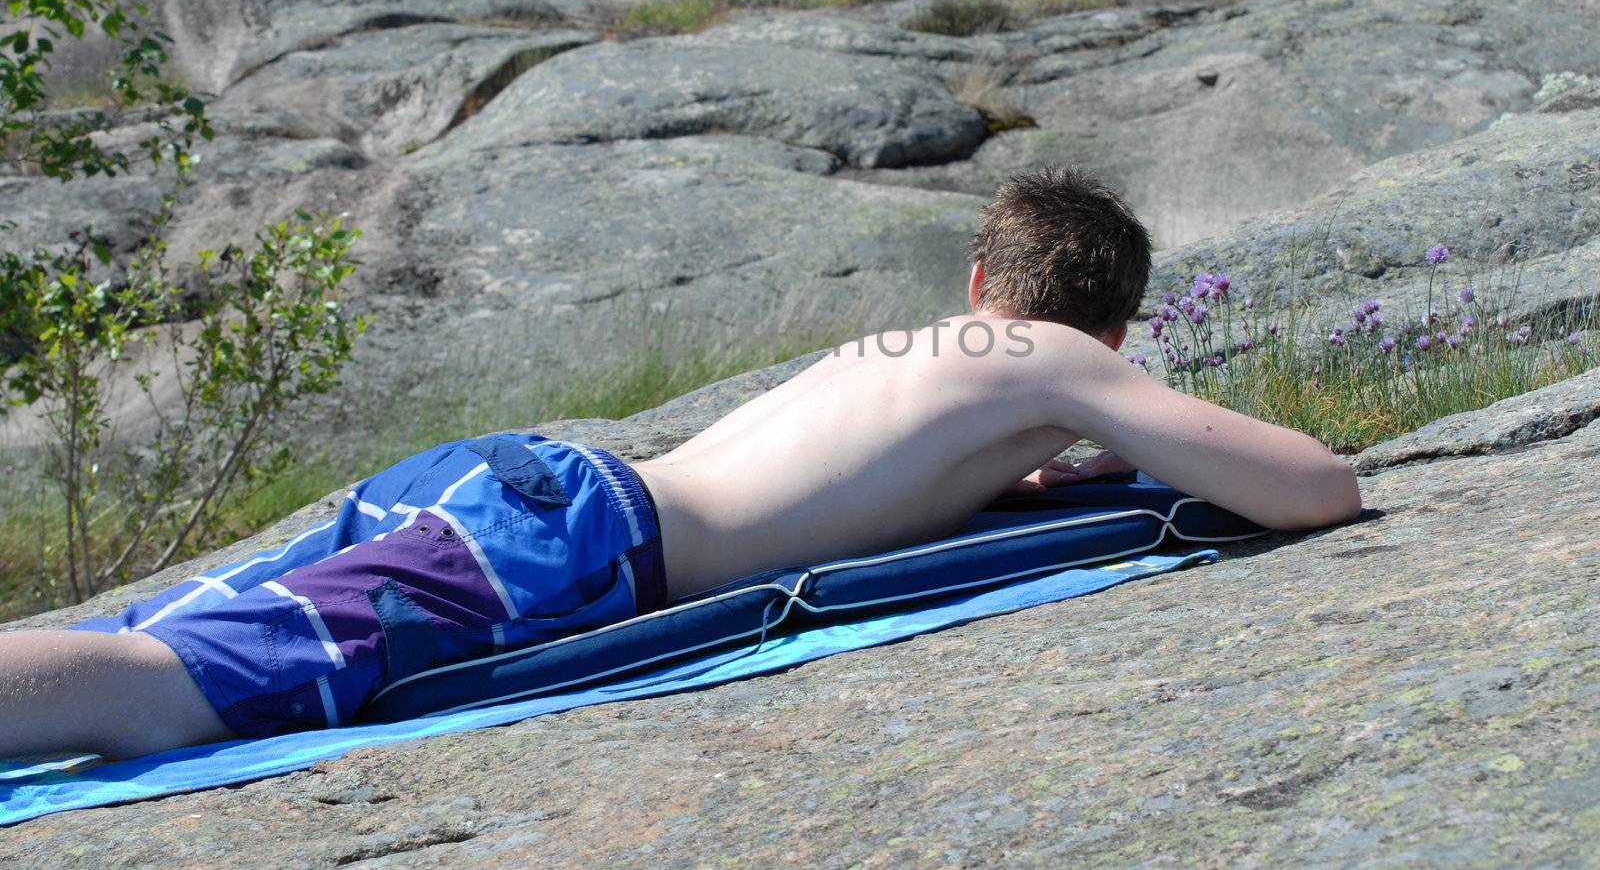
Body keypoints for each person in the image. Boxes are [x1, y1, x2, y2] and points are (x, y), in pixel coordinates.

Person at [0, 166, 1360, 760]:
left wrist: (997, 479)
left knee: (151, 634)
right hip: (574, 546)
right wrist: (1117, 406)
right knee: (170, 696)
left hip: (535, 490)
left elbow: (856, 475)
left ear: (975, 276)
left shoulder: (914, 347)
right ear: (1114, 327)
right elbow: (1313, 487)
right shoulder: (1069, 363)